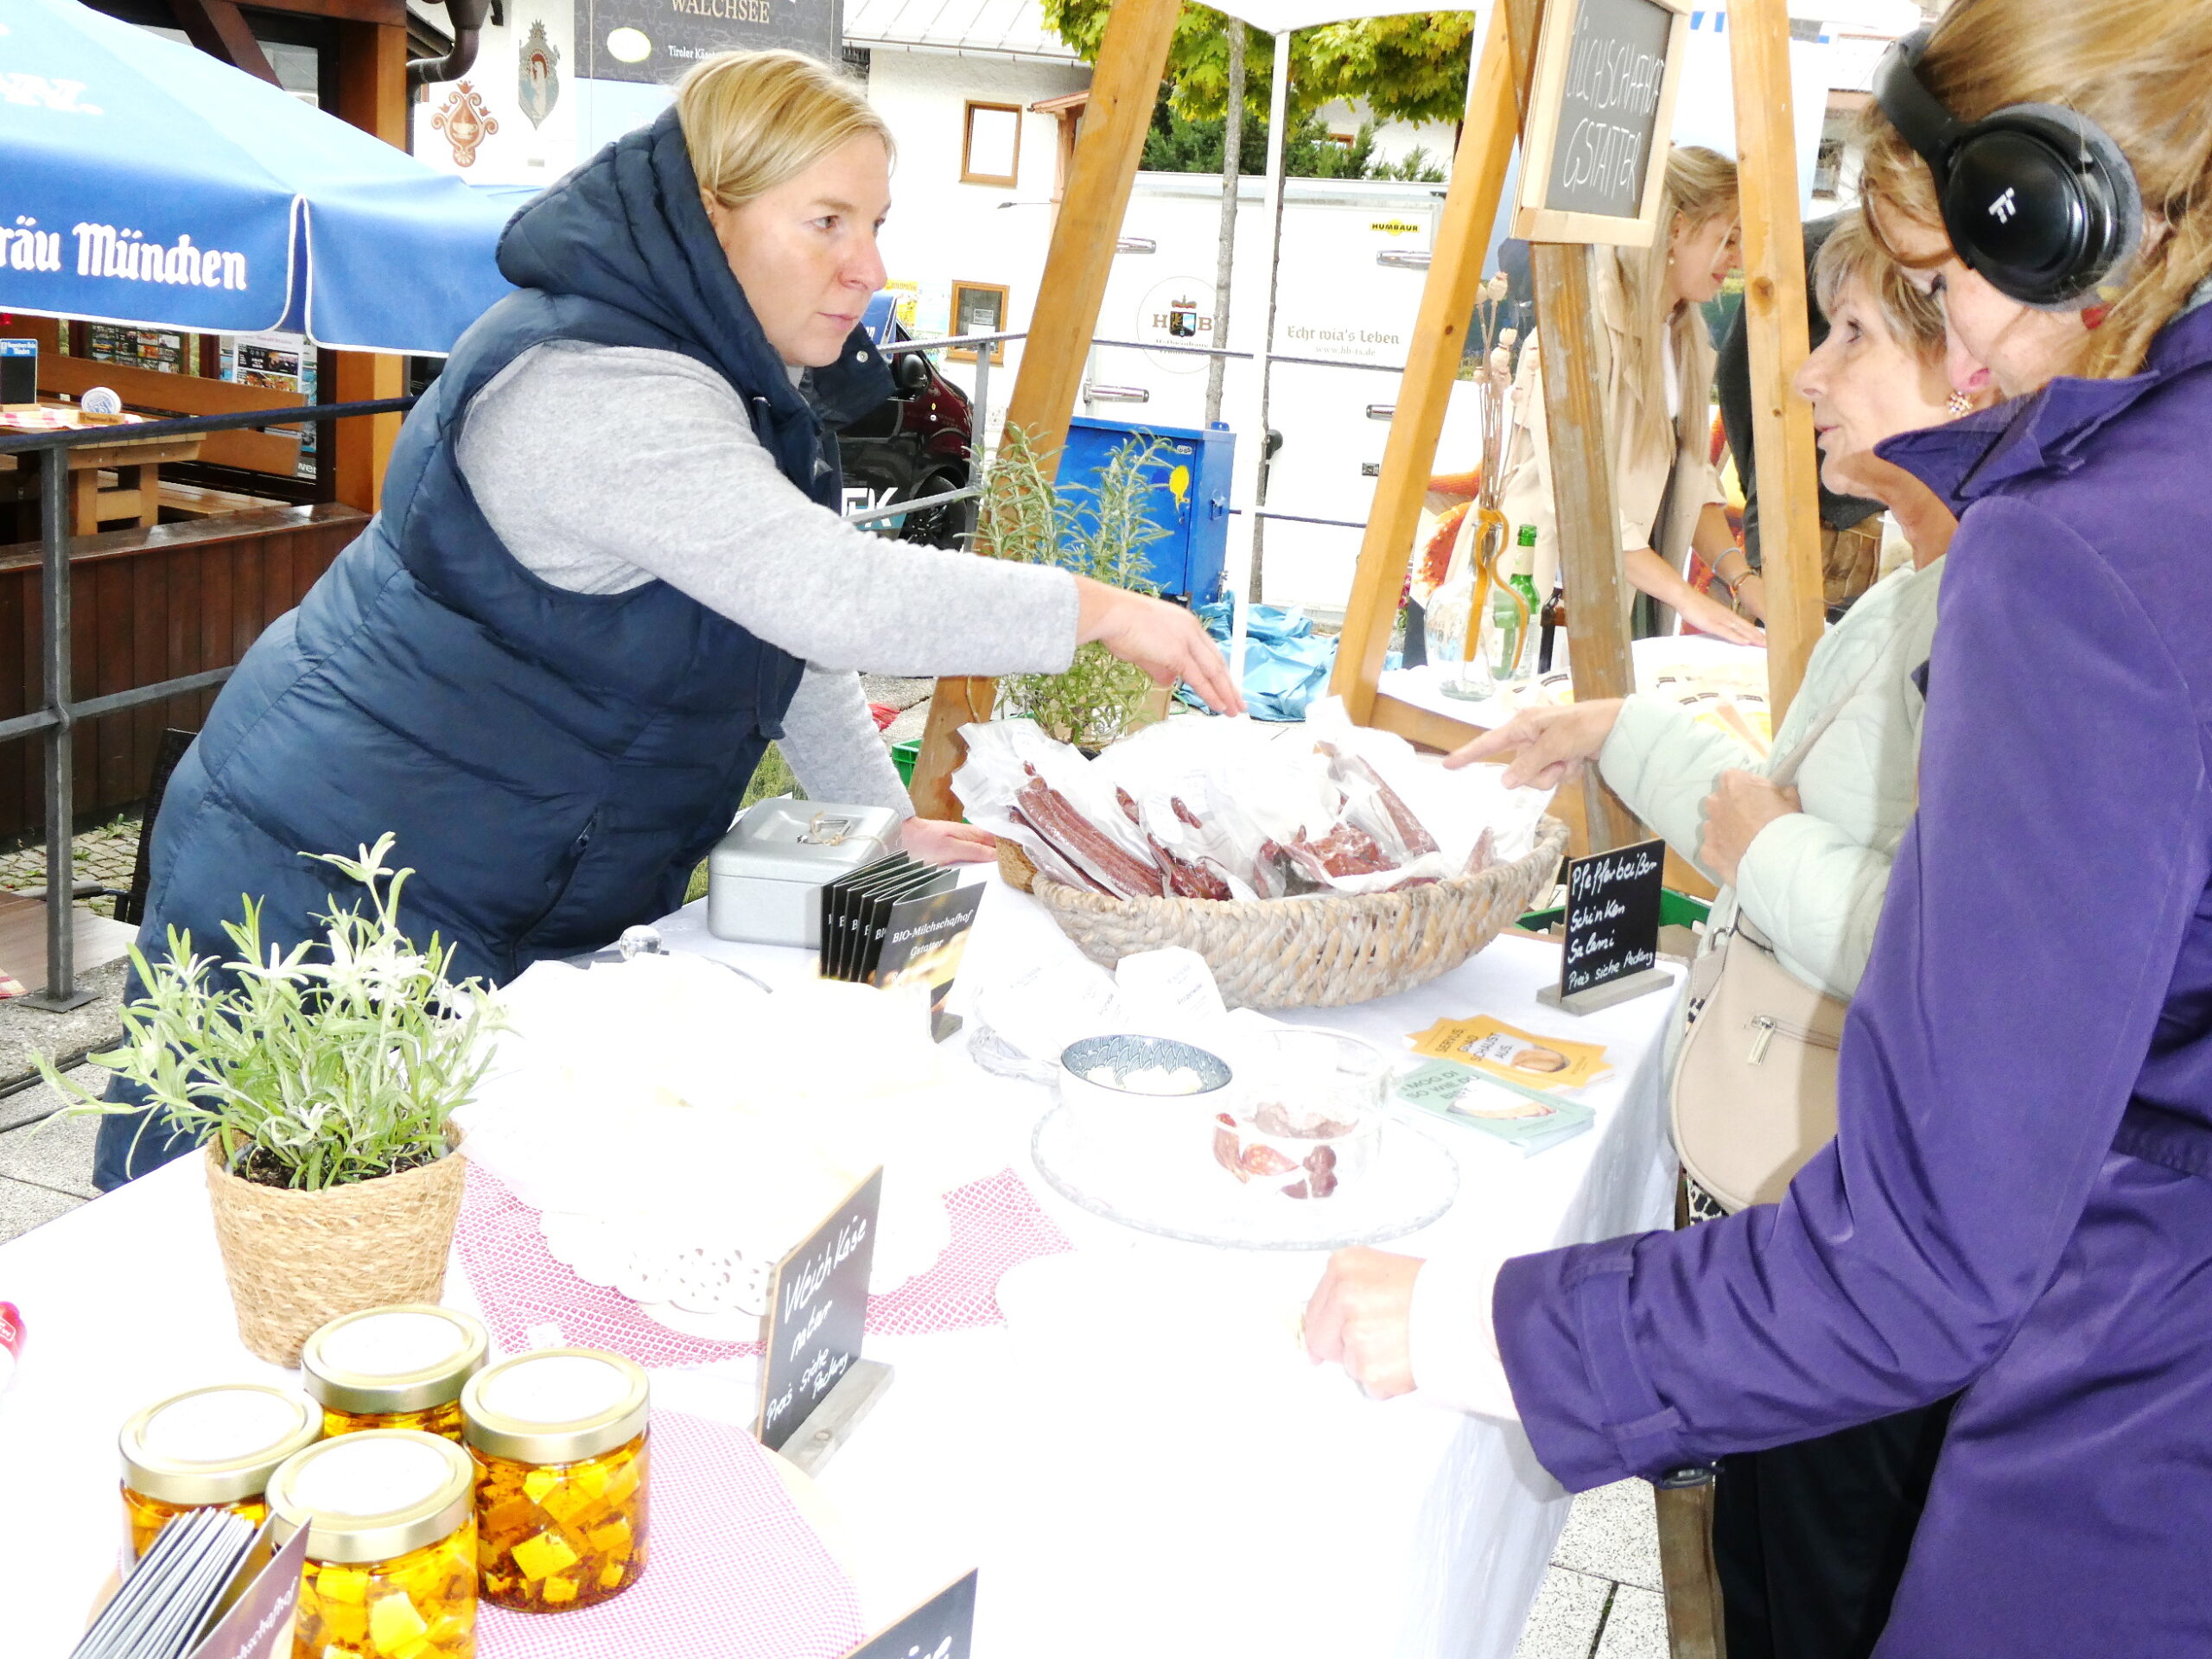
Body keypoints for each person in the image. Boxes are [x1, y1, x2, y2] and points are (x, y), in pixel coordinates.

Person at [1306, 5, 2212, 1650]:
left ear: (2068, 230)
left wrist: (1485, 1335)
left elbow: (1932, 1244)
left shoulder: (2078, 558)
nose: (1957, 360)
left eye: (1939, 287)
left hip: (2127, 1471)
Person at [92, 50, 1239, 1190]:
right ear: (709, 214)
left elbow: (779, 635)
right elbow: (828, 593)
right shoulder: (600, 386)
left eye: (875, 224)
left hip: (476, 884)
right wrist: (1094, 608)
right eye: (826, 222)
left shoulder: (726, 373)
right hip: (333, 885)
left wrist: (883, 837)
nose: (868, 268)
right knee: (243, 1244)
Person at [1488, 146, 1761, 645]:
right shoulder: (1579, 326)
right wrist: (1686, 598)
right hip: (1548, 594)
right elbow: (1580, 500)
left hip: (1633, 588)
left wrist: (1742, 579)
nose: (1737, 259)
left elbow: (1689, 476)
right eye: (1729, 238)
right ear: (1676, 228)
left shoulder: (1683, 337)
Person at [1711, 214, 1890, 621]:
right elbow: (1740, 375)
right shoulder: (1819, 248)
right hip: (1809, 509)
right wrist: (1762, 486)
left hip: (1856, 509)